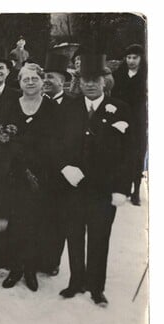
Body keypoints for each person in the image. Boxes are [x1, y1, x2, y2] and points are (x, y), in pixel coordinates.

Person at [59, 53, 132, 306]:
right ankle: (75, 281)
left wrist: (123, 188)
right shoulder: (68, 108)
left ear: (104, 81)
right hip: (74, 187)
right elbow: (56, 144)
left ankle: (96, 287)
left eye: (95, 79)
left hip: (104, 189)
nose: (90, 84)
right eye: (85, 80)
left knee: (100, 238)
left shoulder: (120, 109)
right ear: (79, 82)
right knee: (74, 235)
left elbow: (130, 153)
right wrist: (64, 167)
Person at [0, 64, 61, 292]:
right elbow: (1, 137)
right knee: (15, 221)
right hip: (14, 173)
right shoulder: (10, 106)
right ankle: (15, 268)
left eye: (35, 78)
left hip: (42, 175)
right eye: (26, 79)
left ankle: (31, 269)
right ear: (20, 82)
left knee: (37, 222)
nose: (31, 82)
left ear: (42, 81)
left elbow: (57, 141)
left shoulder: (52, 108)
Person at [40, 53, 76, 275]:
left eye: (51, 77)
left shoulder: (74, 104)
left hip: (61, 172)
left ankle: (52, 261)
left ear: (63, 81)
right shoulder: (36, 100)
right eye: (43, 76)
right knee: (37, 216)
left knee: (57, 219)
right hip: (38, 171)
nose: (45, 80)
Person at [112, 44, 147, 206]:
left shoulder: (146, 75)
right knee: (120, 152)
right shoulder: (118, 75)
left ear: (141, 59)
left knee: (137, 152)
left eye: (135, 57)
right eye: (129, 57)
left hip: (139, 119)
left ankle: (136, 191)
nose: (131, 61)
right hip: (122, 117)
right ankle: (122, 188)